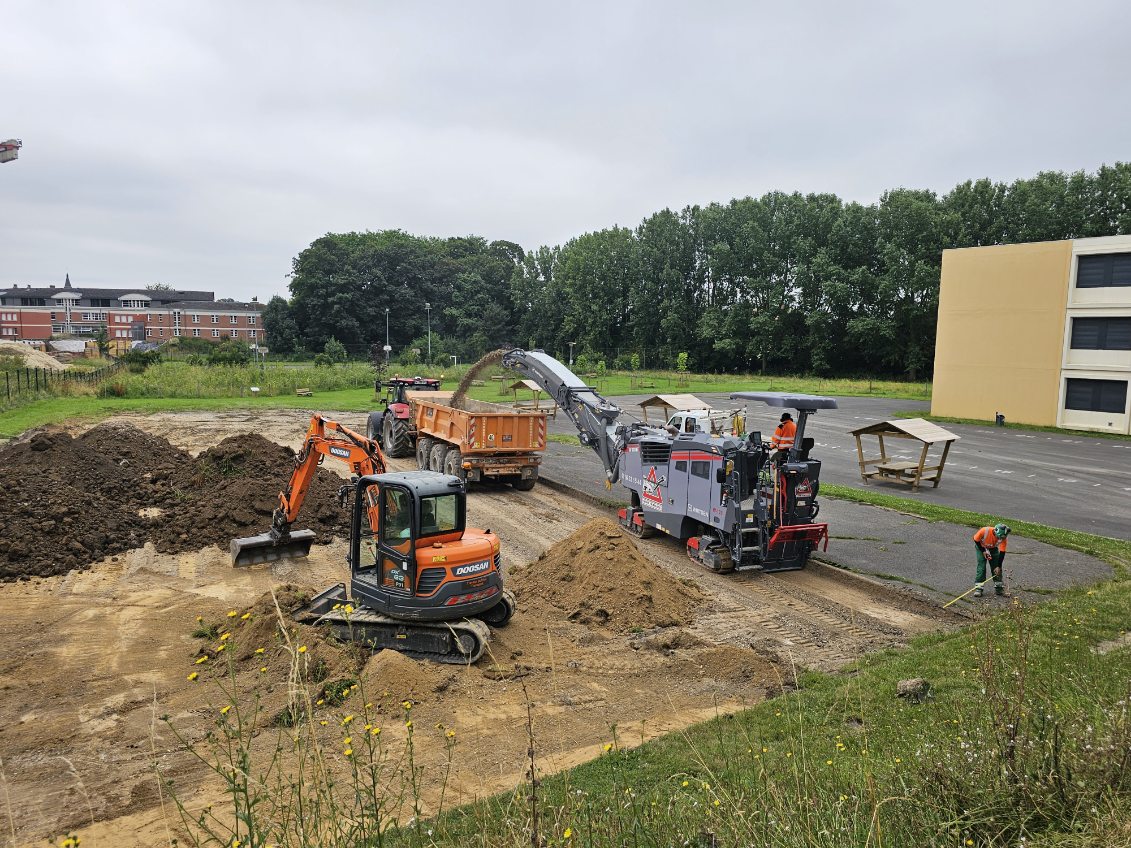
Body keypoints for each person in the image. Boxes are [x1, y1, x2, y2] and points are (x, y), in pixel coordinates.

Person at [972, 523, 1011, 596]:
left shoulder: (1003, 538)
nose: (1001, 539)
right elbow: (976, 539)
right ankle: (979, 588)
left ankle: (999, 588)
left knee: (996, 568)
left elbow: (1002, 553)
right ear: (995, 531)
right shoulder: (984, 531)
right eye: (999, 537)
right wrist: (983, 551)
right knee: (982, 567)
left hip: (993, 549)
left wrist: (998, 566)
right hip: (981, 548)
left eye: (1002, 538)